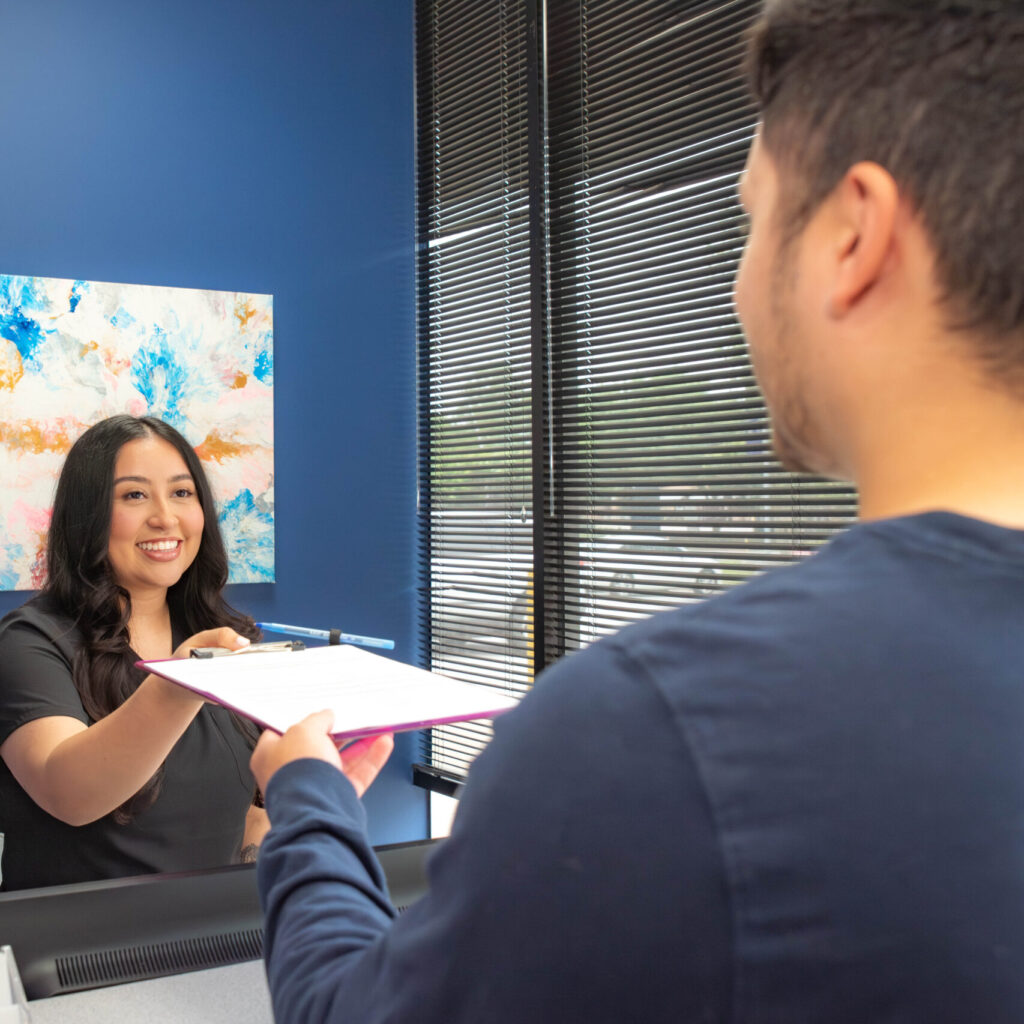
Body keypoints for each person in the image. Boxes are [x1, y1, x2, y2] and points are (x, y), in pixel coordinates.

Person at [252, 1, 1024, 1020]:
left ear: (853, 236)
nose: (740, 287)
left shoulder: (654, 732)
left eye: (749, 219)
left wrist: (306, 794)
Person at [0, 415, 267, 891]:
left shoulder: (226, 638)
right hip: (81, 952)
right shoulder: (29, 642)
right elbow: (70, 794)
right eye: (134, 495)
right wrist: (181, 685)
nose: (166, 517)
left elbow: (249, 815)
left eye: (182, 493)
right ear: (88, 515)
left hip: (216, 944)